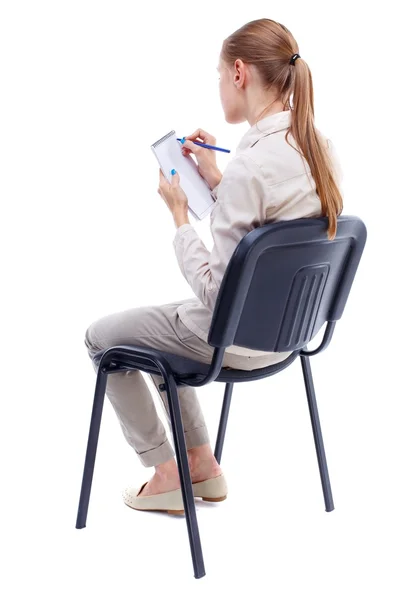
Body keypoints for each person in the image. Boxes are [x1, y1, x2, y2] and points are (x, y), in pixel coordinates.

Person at [84, 18, 344, 514]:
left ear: (240, 73)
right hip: (293, 337)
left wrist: (180, 216)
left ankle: (167, 471)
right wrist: (216, 179)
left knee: (103, 339)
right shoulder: (320, 147)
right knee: (161, 329)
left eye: (220, 74)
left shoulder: (254, 163)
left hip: (235, 341)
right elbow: (269, 230)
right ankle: (203, 465)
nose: (220, 83)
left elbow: (216, 294)